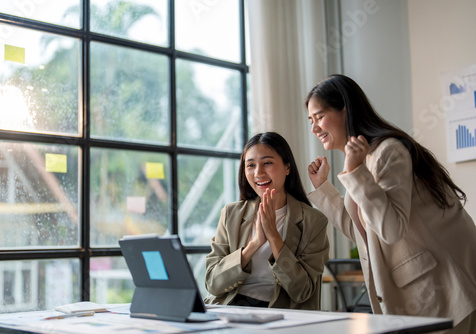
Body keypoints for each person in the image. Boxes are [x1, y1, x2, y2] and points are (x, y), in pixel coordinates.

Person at [305, 74, 476, 333]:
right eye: (311, 121)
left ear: (345, 110)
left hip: (444, 293)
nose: (314, 128)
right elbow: (363, 235)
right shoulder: (362, 161)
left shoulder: (388, 151)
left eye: (319, 117)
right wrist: (323, 188)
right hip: (420, 300)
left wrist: (353, 173)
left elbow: (391, 230)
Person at [204, 132, 329, 310]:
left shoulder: (313, 221)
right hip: (230, 309)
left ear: (287, 167)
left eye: (267, 163)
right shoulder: (231, 214)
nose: (258, 172)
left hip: (281, 314)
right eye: (251, 165)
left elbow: (303, 291)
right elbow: (212, 283)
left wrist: (273, 236)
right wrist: (253, 245)